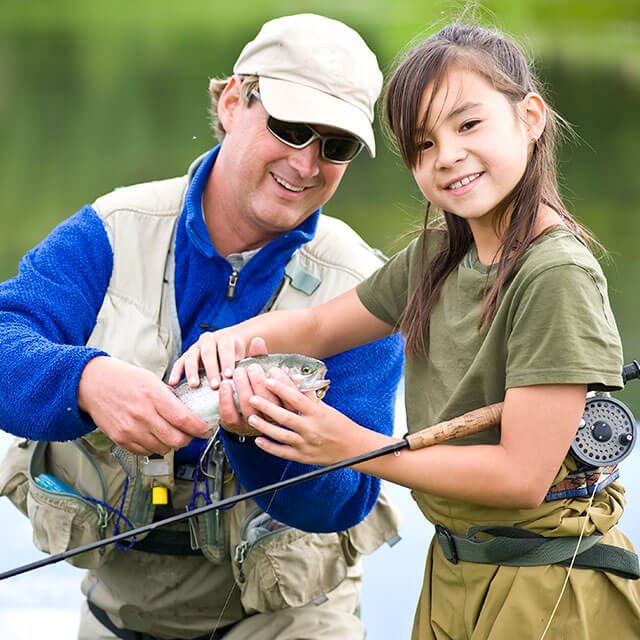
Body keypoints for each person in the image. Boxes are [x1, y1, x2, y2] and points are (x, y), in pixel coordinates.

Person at [172, 21, 640, 640]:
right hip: (455, 568)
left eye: (468, 125)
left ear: (530, 117)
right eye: (422, 144)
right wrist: (233, 339)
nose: (446, 155)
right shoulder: (437, 257)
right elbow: (314, 327)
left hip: (552, 588)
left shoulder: (555, 274)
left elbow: (522, 477)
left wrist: (351, 449)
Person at [0, 13, 404, 640]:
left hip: (289, 619)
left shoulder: (364, 291)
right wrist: (87, 381)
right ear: (232, 102)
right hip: (121, 607)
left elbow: (343, 500)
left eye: (336, 146)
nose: (306, 164)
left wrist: (260, 436)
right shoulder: (110, 230)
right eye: (291, 128)